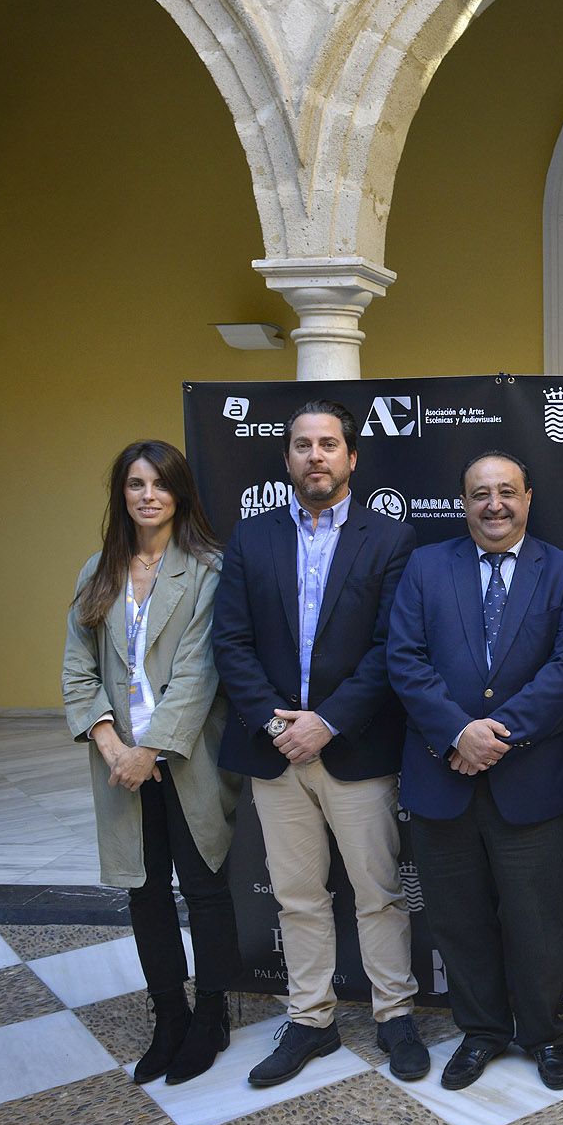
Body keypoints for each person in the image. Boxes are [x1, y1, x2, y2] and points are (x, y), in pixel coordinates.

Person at [212, 399, 428, 1087]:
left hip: (356, 747)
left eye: (328, 443)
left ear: (351, 457)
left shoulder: (389, 537)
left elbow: (391, 646)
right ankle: (311, 1019)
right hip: (276, 754)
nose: (316, 456)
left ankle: (395, 1014)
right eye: (302, 444)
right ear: (287, 459)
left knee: (378, 891)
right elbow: (232, 642)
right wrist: (280, 726)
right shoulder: (251, 538)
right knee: (298, 895)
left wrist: (326, 721)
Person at [387, 451, 563, 1091]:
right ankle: (480, 1033)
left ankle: (543, 1035)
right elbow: (404, 658)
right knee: (457, 918)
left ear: (529, 497)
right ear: (463, 501)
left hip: (529, 779)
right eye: (480, 493)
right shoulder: (425, 566)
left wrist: (492, 737)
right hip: (442, 778)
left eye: (507, 491)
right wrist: (457, 732)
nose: (494, 504)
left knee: (536, 921)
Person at [62, 439, 241, 1086]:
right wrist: (114, 746)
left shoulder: (207, 569)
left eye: (159, 484)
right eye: (135, 483)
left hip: (183, 756)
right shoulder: (98, 571)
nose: (146, 495)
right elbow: (77, 669)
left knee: (204, 885)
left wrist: (151, 748)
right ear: (122, 494)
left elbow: (199, 673)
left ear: (180, 493)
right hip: (121, 763)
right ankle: (169, 1011)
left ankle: (213, 1013)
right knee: (144, 889)